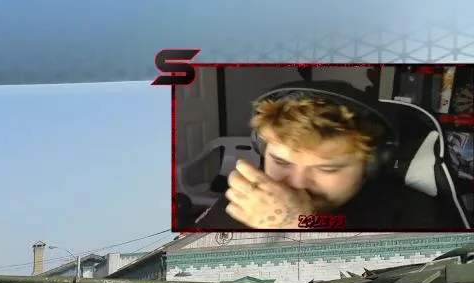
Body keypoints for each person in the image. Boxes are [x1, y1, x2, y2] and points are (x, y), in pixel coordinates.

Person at [193, 82, 466, 231]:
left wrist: (298, 223)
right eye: (281, 162)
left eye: (327, 169)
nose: (297, 183)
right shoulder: (246, 198)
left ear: (371, 164)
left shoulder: (416, 214)